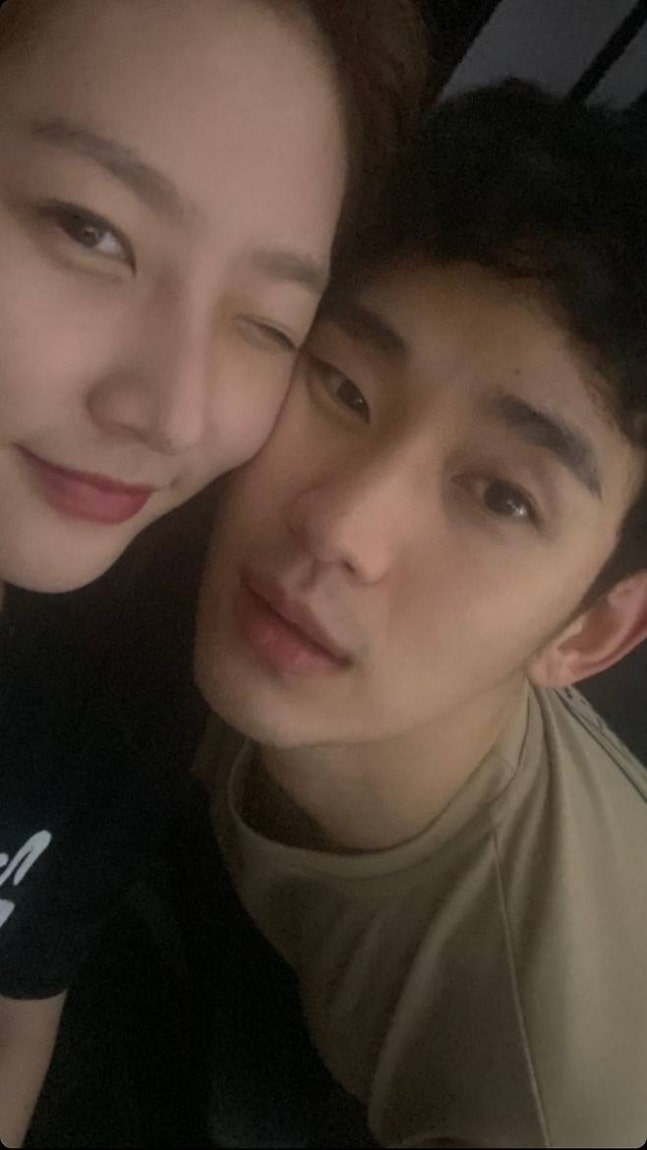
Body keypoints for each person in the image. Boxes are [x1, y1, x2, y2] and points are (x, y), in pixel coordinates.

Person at [0, 1, 428, 1144]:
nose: (172, 413)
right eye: (91, 230)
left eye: (268, 323)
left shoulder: (128, 659)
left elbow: (17, 994)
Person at [194, 81, 647, 1148]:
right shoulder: (191, 506)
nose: (338, 524)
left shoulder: (540, 1095)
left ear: (586, 633)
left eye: (502, 497)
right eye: (343, 387)